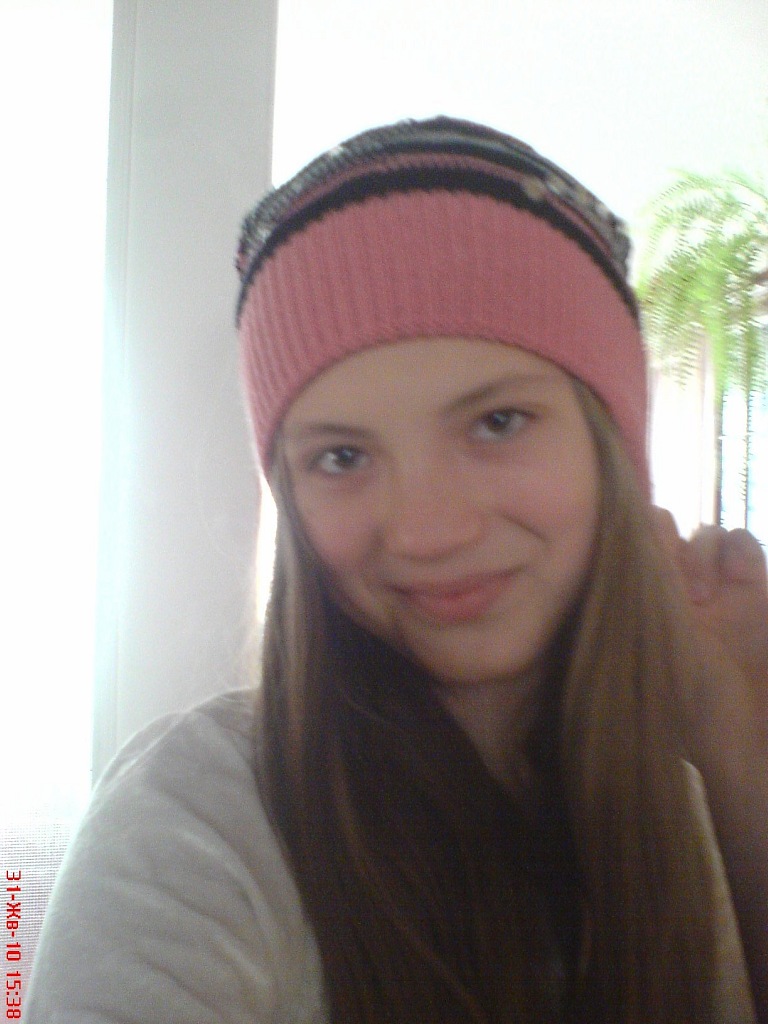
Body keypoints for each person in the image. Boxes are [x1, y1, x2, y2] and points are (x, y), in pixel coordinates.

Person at [27, 116, 768, 1023]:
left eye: (496, 423)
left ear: (611, 449)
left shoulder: (682, 802)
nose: (427, 532)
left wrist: (740, 749)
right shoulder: (199, 814)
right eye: (341, 457)